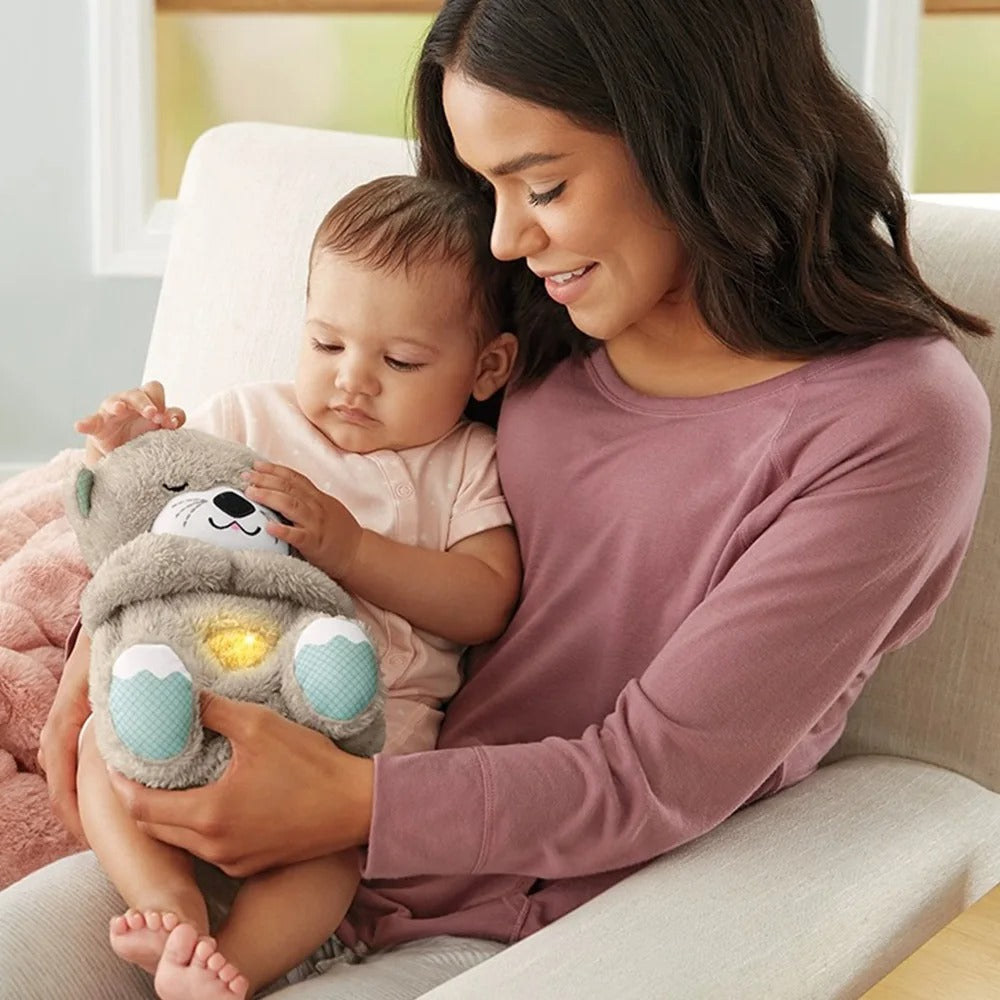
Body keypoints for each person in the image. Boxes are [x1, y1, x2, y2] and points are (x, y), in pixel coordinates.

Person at [0, 1, 992, 997]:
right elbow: (302, 476)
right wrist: (119, 637)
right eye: (485, 188)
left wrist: (352, 803)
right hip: (273, 817)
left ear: (694, 129)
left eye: (544, 185)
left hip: (508, 913)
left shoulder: (892, 423)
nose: (507, 237)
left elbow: (650, 773)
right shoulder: (540, 314)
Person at [65, 174, 521, 999]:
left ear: (487, 366)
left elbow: (486, 597)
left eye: (401, 359)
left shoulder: (461, 464)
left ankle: (232, 967)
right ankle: (168, 907)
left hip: (336, 747)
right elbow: (146, 526)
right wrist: (125, 451)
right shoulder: (248, 418)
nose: (353, 379)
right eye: (326, 343)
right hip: (197, 696)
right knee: (103, 748)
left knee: (331, 864)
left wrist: (351, 549)